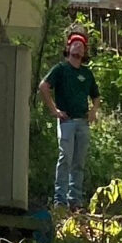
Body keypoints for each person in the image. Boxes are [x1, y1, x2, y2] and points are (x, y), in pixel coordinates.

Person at [38, 26, 99, 211]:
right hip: (67, 121)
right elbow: (43, 86)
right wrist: (54, 110)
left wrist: (93, 111)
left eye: (82, 45)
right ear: (68, 47)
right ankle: (60, 201)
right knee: (65, 159)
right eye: (75, 43)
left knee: (79, 163)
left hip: (83, 123)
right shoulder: (60, 69)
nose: (78, 47)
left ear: (85, 51)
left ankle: (75, 201)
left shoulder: (87, 73)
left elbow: (96, 96)